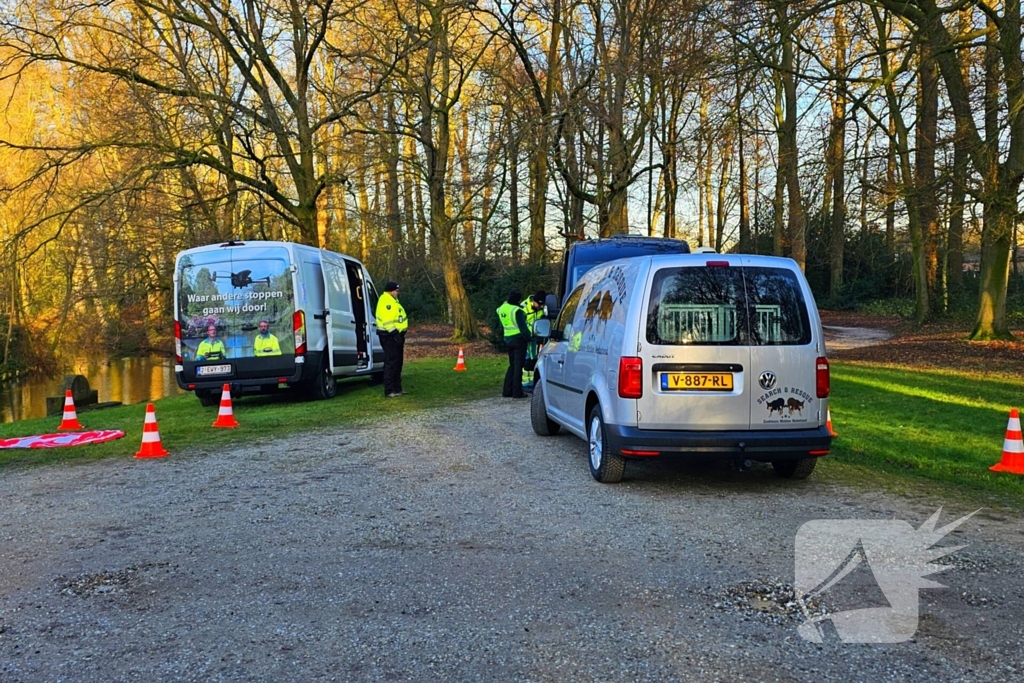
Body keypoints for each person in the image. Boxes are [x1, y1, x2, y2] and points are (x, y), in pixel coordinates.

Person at [375, 281, 408, 398]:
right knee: (392, 362)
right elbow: (387, 321)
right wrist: (395, 334)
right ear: (392, 291)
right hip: (389, 336)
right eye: (397, 291)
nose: (397, 293)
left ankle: (397, 388)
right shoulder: (386, 301)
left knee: (398, 362)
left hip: (395, 335)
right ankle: (389, 390)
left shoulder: (392, 301)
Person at [497, 289, 529, 399]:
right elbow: (523, 328)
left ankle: (507, 390)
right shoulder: (517, 310)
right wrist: (529, 338)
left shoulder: (502, 308)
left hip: (508, 339)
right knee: (518, 367)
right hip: (519, 340)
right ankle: (517, 392)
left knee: (512, 365)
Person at [520, 290, 547, 391]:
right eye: (538, 304)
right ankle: (525, 384)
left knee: (532, 360)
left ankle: (531, 383)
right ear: (534, 301)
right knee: (526, 360)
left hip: (534, 338)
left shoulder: (541, 309)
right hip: (525, 338)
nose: (539, 306)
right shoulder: (524, 307)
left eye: (541, 305)